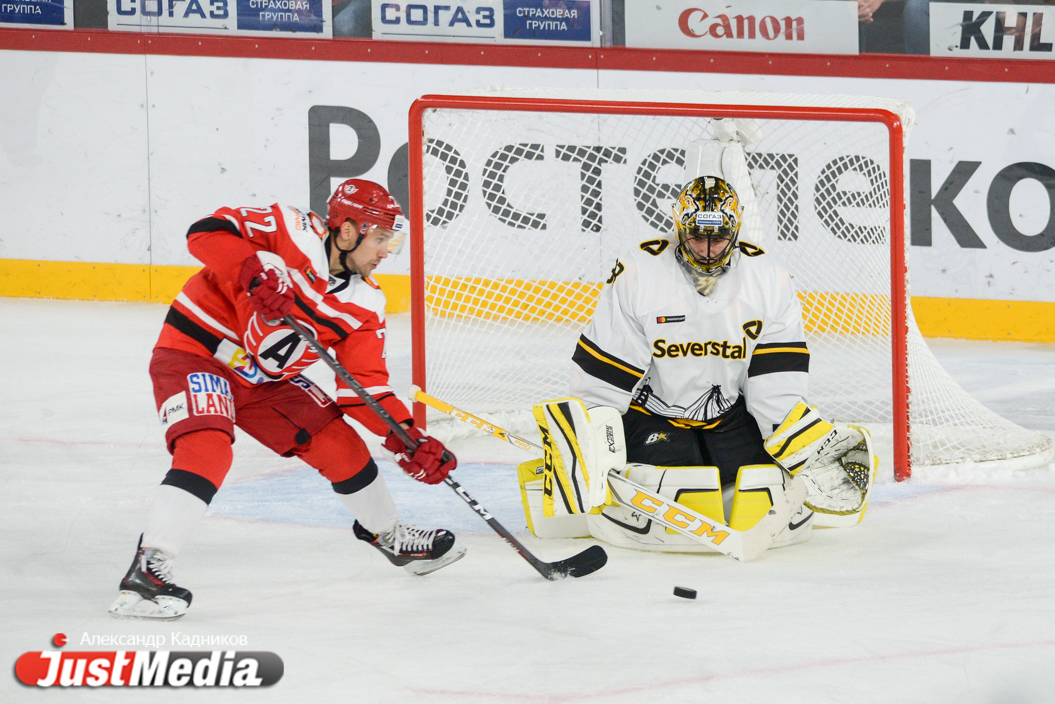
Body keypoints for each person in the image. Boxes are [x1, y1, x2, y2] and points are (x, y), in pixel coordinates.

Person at [109, 179, 461, 621]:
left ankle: (388, 535)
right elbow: (204, 231)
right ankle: (149, 569)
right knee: (207, 448)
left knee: (339, 443)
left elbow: (365, 388)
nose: (387, 250)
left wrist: (407, 436)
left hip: (265, 380)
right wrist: (253, 269)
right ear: (347, 231)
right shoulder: (289, 229)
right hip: (196, 353)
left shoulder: (366, 303)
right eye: (381, 238)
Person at [569, 176, 810, 488]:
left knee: (765, 478)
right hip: (651, 414)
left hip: (727, 415)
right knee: (684, 481)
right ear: (678, 227)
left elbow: (776, 377)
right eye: (697, 238)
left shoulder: (768, 280)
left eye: (718, 239)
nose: (707, 251)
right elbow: (605, 369)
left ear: (735, 231)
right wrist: (589, 441)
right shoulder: (640, 272)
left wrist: (793, 445)